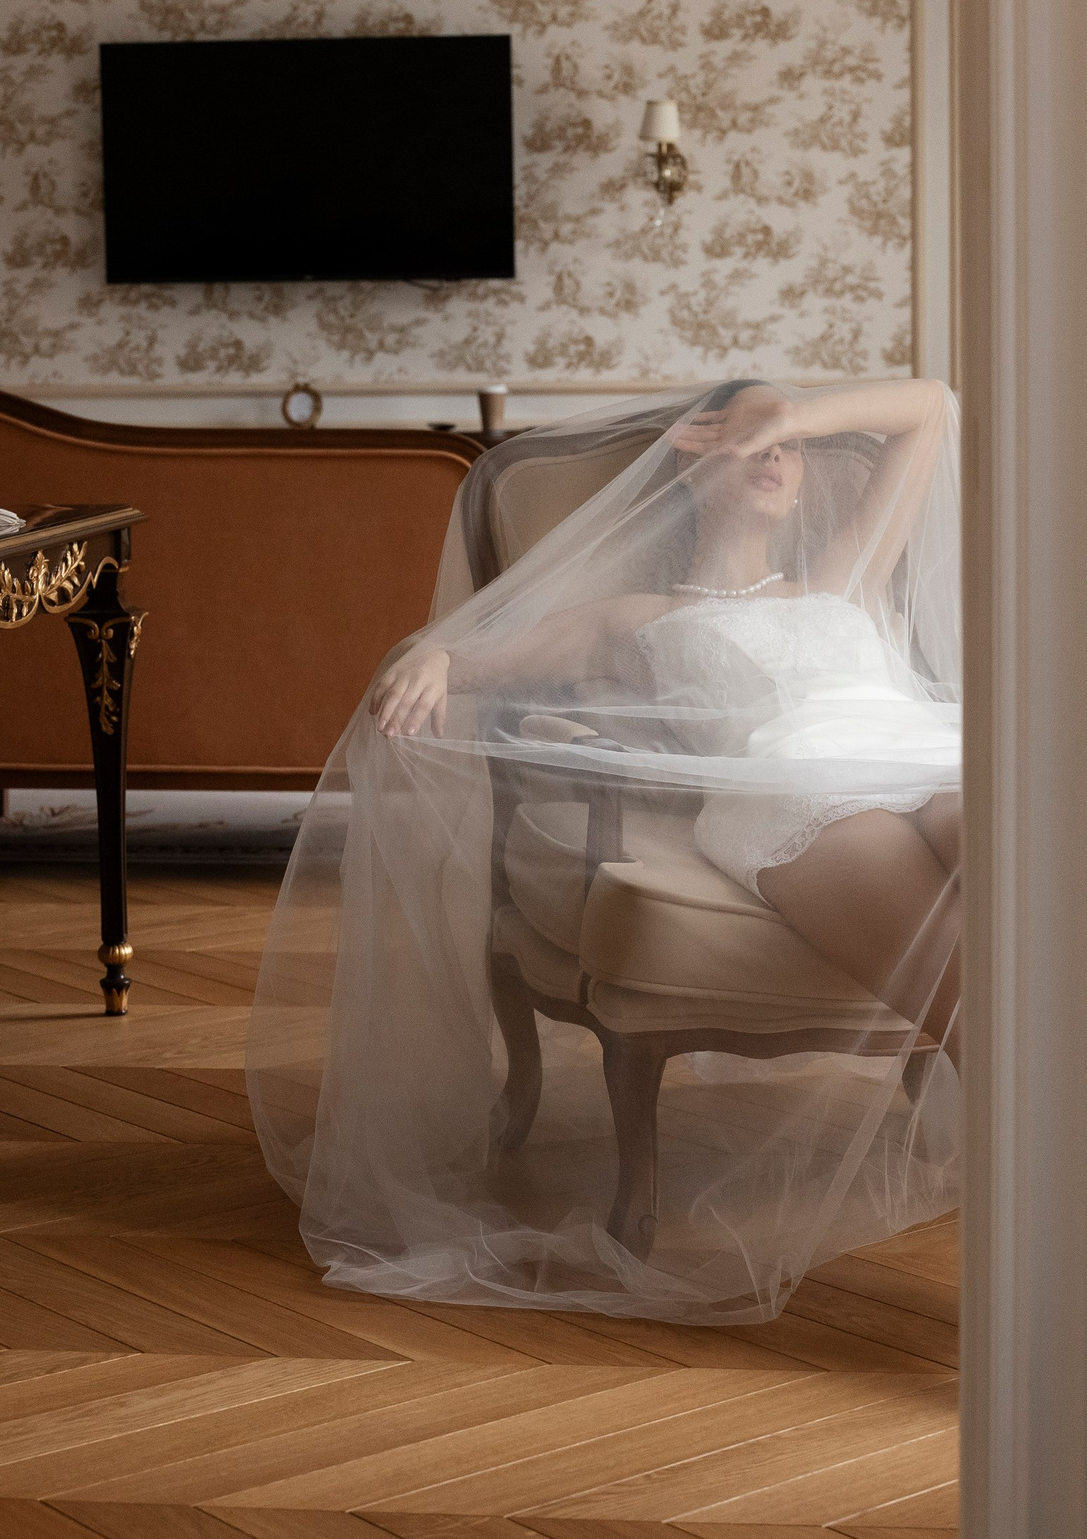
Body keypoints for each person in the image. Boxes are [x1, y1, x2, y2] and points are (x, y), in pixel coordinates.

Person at [246, 377, 962, 1322]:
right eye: (746, 438)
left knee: (1049, 859)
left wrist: (787, 415)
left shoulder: (842, 579)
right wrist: (431, 656)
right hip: (800, 793)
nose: (775, 455)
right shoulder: (632, 617)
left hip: (932, 757)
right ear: (690, 467)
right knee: (979, 999)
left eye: (786, 447)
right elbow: (470, 657)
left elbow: (931, 406)